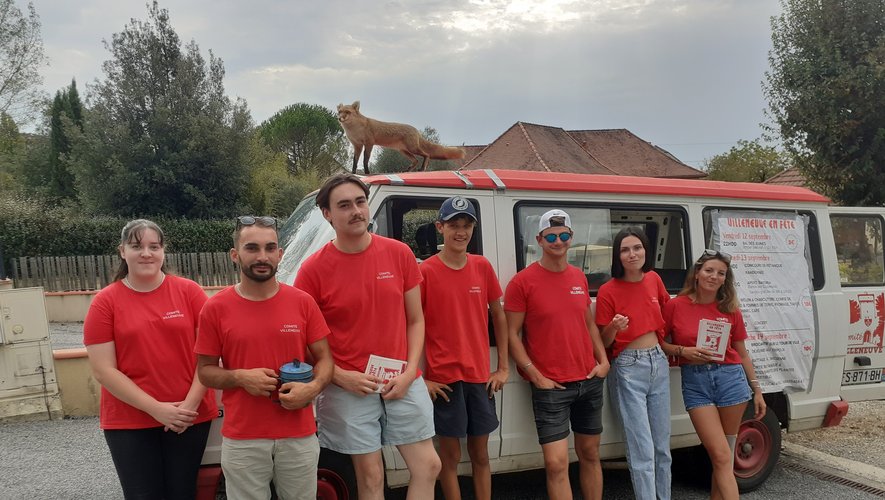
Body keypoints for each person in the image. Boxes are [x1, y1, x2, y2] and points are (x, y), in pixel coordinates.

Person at [294, 173, 441, 500]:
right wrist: (341, 377)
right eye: (344, 205)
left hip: (402, 380)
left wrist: (408, 372)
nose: (356, 211)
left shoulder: (399, 254)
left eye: (360, 202)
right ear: (328, 214)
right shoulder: (312, 270)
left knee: (428, 466)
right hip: (349, 386)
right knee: (371, 476)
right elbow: (304, 340)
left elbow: (416, 320)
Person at [195, 215, 333, 500]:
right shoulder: (215, 308)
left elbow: (326, 361)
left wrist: (312, 388)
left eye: (270, 248)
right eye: (252, 248)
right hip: (243, 437)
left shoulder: (302, 302)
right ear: (235, 255)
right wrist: (239, 377)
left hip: (299, 433)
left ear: (280, 254)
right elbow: (205, 372)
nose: (262, 256)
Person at [84, 219, 217, 499]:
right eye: (137, 246)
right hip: (129, 422)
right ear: (122, 251)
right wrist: (157, 409)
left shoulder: (189, 292)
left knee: (183, 493)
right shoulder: (105, 302)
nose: (146, 253)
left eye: (153, 246)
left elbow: (209, 356)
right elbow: (104, 371)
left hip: (188, 418)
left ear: (163, 251)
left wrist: (188, 407)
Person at [504, 209, 609, 500]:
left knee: (590, 454)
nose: (558, 241)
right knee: (555, 464)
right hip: (551, 387)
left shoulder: (578, 277)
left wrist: (603, 361)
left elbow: (588, 322)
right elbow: (512, 334)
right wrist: (536, 376)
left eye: (564, 235)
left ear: (571, 237)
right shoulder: (522, 282)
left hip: (588, 380)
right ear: (539, 239)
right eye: (551, 236)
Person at [420, 196, 509, 500]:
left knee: (481, 456)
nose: (460, 232)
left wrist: (503, 367)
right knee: (449, 457)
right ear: (440, 227)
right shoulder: (426, 272)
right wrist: (422, 377)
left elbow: (498, 314)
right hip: (444, 379)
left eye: (466, 225)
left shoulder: (482, 266)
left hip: (478, 377)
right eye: (453, 225)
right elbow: (412, 325)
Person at [661, 249, 766, 500]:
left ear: (725, 279)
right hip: (696, 383)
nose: (714, 276)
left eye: (721, 273)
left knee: (725, 457)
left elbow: (741, 353)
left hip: (730, 380)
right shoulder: (675, 305)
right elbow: (659, 343)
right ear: (697, 273)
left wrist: (758, 390)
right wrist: (683, 350)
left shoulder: (730, 309)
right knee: (720, 455)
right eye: (709, 270)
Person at [595, 226, 672, 500]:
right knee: (642, 448)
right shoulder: (607, 290)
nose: (632, 254)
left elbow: (666, 312)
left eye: (637, 248)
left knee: (662, 448)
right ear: (617, 256)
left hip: (658, 361)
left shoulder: (654, 279)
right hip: (628, 366)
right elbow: (603, 342)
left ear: (645, 250)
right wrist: (614, 328)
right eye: (625, 249)